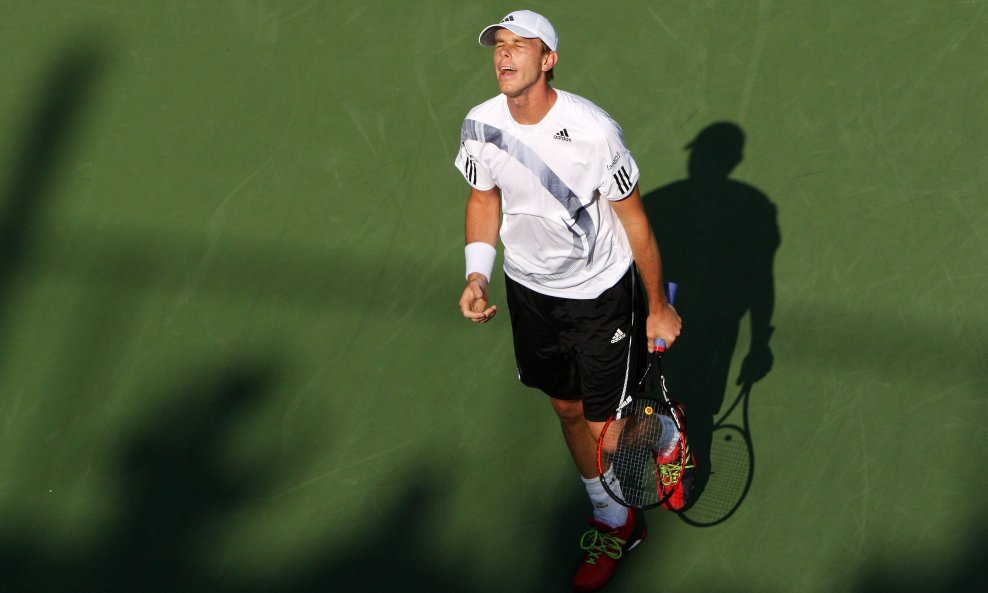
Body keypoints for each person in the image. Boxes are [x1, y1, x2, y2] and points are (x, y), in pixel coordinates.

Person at [453, 10, 688, 592]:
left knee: (608, 430)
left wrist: (657, 304)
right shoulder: (480, 124)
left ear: (548, 60)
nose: (504, 56)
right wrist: (477, 275)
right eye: (499, 46)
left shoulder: (593, 131)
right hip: (531, 290)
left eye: (519, 46)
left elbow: (635, 223)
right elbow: (484, 198)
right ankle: (615, 519)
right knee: (565, 410)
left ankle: (667, 436)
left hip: (600, 291)